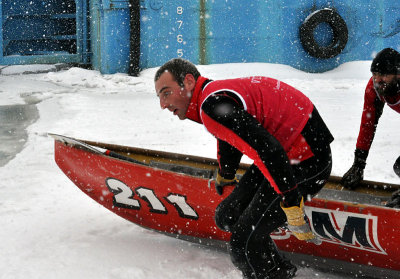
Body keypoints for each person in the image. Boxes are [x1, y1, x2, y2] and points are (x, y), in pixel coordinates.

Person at [154, 58, 334, 279]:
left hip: (308, 160)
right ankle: (279, 269)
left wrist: (291, 201)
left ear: (189, 81)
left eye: (166, 93)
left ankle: (270, 267)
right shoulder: (212, 96)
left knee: (244, 246)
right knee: (227, 216)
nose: (163, 105)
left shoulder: (211, 104)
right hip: (286, 152)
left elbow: (269, 150)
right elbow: (232, 136)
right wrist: (226, 175)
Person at [341, 48, 400, 207]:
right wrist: (359, 163)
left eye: (384, 75)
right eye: (375, 74)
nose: (378, 80)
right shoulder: (374, 88)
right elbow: (367, 124)